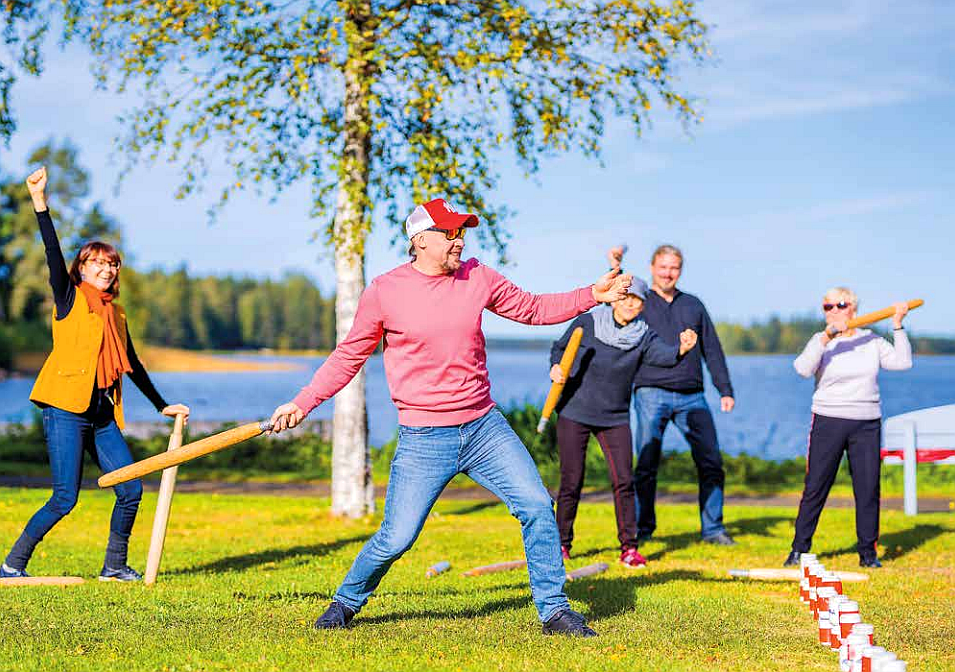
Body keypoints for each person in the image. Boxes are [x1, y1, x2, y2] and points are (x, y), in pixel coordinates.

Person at [270, 198, 633, 637]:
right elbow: (349, 357)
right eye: (449, 233)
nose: (459, 240)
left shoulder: (477, 276)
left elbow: (532, 309)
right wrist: (302, 402)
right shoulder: (385, 291)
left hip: (484, 427)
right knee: (397, 536)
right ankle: (345, 602)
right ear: (420, 241)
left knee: (538, 506)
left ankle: (554, 610)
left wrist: (590, 296)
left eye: (462, 232)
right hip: (424, 436)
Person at [1, 167, 190, 582]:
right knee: (65, 496)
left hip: (102, 411)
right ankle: (11, 565)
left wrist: (162, 404)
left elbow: (133, 364)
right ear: (81, 269)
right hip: (64, 407)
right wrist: (39, 201)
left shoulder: (116, 313)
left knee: (131, 488)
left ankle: (114, 566)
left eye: (112, 264)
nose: (106, 269)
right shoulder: (69, 300)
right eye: (97, 263)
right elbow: (52, 253)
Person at [549, 276, 698, 569]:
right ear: (616, 297)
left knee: (624, 481)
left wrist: (681, 349)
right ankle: (562, 545)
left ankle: (629, 548)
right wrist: (556, 367)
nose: (630, 303)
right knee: (571, 482)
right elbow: (559, 349)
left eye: (637, 299)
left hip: (614, 416)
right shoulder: (589, 322)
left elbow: (664, 357)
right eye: (626, 297)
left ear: (643, 306)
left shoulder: (643, 336)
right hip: (574, 411)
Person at [608, 244, 737, 546]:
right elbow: (615, 297)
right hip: (650, 392)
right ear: (652, 268)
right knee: (647, 464)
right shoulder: (639, 301)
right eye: (663, 266)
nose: (668, 273)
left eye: (674, 267)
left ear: (680, 270)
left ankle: (713, 529)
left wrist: (725, 389)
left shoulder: (693, 305)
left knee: (711, 461)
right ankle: (643, 528)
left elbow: (713, 350)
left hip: (693, 396)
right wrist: (615, 266)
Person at [784, 288, 912, 569]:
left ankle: (868, 553)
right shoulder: (821, 341)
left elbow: (903, 362)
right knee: (815, 486)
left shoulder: (871, 340)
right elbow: (802, 369)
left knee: (867, 489)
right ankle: (798, 549)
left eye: (840, 305)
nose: (834, 310)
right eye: (827, 306)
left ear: (853, 307)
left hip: (866, 423)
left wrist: (898, 325)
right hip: (828, 421)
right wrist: (826, 337)